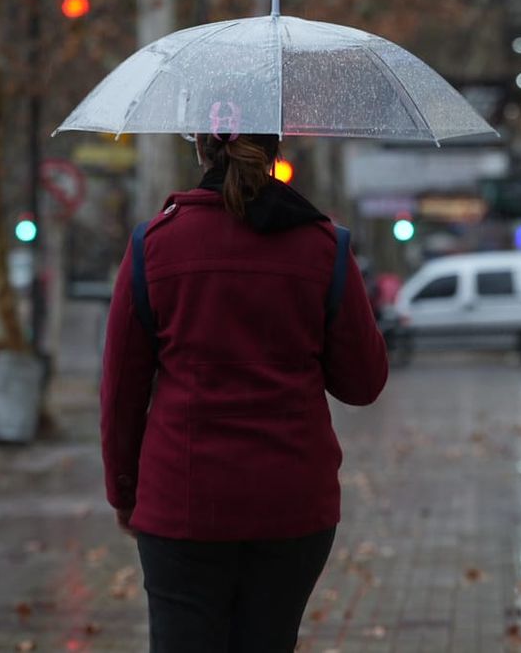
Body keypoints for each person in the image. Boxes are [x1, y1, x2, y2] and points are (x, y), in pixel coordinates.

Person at [99, 131, 389, 652]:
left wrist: (125, 492)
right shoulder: (324, 245)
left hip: (180, 505)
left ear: (199, 149)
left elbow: (121, 391)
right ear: (277, 150)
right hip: (292, 507)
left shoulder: (154, 245)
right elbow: (364, 384)